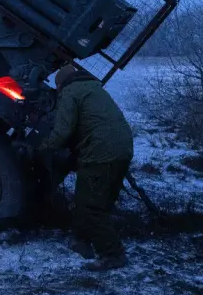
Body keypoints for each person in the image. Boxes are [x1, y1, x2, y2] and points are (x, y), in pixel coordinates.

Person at [39, 64, 134, 271]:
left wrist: (42, 148)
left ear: (60, 85)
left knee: (90, 205)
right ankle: (81, 240)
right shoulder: (93, 88)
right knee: (101, 200)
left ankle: (113, 254)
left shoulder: (69, 93)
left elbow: (63, 131)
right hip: (123, 147)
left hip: (100, 152)